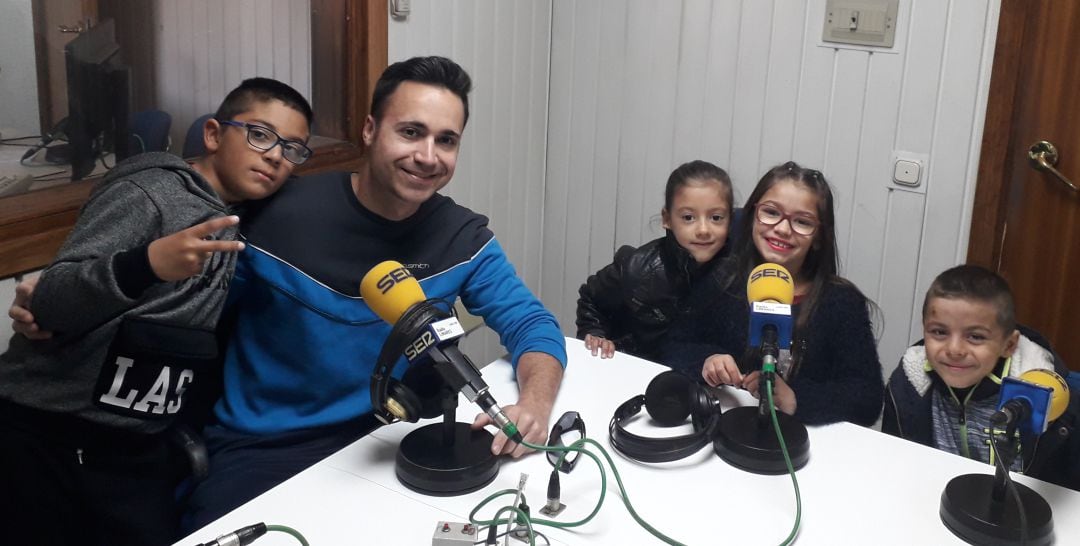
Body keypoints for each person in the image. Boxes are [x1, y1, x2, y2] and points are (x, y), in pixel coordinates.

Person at [0, 78, 313, 545]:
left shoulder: (242, 216)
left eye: (292, 149)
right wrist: (146, 264)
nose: (274, 155)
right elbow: (51, 302)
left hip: (136, 448)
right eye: (260, 134)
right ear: (212, 135)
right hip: (50, 434)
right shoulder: (151, 194)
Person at [663, 161, 883, 426]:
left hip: (800, 441)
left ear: (819, 237)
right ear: (751, 214)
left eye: (802, 222)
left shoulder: (841, 303)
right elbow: (673, 346)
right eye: (770, 212)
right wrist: (706, 361)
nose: (782, 228)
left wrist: (796, 399)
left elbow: (867, 397)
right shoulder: (722, 277)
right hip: (723, 428)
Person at [882, 265, 1079, 490]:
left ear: (1009, 344)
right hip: (932, 502)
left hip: (1018, 513)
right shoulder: (908, 384)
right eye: (939, 332)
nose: (954, 349)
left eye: (975, 337)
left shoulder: (1050, 398)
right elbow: (895, 464)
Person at [576, 160, 733, 361]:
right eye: (688, 217)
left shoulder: (738, 273)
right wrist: (596, 335)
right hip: (641, 376)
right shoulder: (637, 268)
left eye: (716, 218)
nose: (703, 230)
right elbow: (591, 298)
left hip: (705, 384)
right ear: (667, 219)